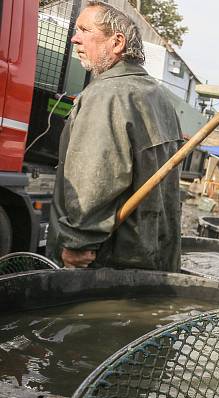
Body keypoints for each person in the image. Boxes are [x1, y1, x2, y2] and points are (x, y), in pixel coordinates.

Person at [46, 1, 182, 271]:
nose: (74, 38)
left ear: (117, 42)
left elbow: (94, 181)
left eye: (84, 30)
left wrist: (76, 243)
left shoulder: (106, 96)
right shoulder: (160, 99)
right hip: (151, 262)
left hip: (105, 265)